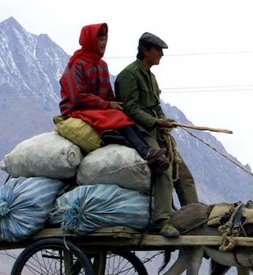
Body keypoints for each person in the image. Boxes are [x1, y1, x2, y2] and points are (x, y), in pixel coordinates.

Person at [115, 31, 200, 237]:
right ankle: (162, 221)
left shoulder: (151, 77)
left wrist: (165, 121)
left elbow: (155, 106)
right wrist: (155, 122)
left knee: (184, 174)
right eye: (158, 50)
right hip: (138, 132)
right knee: (163, 167)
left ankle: (197, 218)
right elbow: (131, 109)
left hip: (155, 131)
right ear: (146, 50)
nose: (161, 54)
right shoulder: (129, 75)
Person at [59, 23, 167, 166]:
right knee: (115, 117)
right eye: (100, 39)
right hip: (77, 108)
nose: (104, 43)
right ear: (90, 40)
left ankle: (144, 152)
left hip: (98, 109)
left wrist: (114, 104)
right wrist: (107, 105)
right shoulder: (77, 64)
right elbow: (77, 95)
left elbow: (107, 93)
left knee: (122, 115)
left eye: (105, 39)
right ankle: (145, 151)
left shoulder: (102, 65)